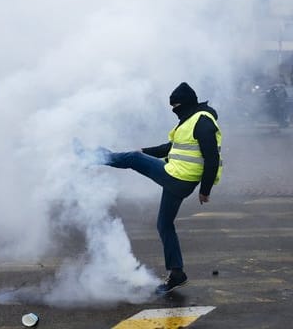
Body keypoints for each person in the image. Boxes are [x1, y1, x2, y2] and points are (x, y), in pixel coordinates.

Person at [77, 82, 222, 294]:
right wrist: (145, 151)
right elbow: (170, 148)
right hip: (177, 176)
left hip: (179, 178)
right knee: (164, 224)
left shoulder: (202, 122)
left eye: (177, 105)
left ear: (188, 102)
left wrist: (205, 190)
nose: (174, 110)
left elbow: (212, 158)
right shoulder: (190, 121)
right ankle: (177, 273)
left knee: (133, 159)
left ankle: (92, 156)